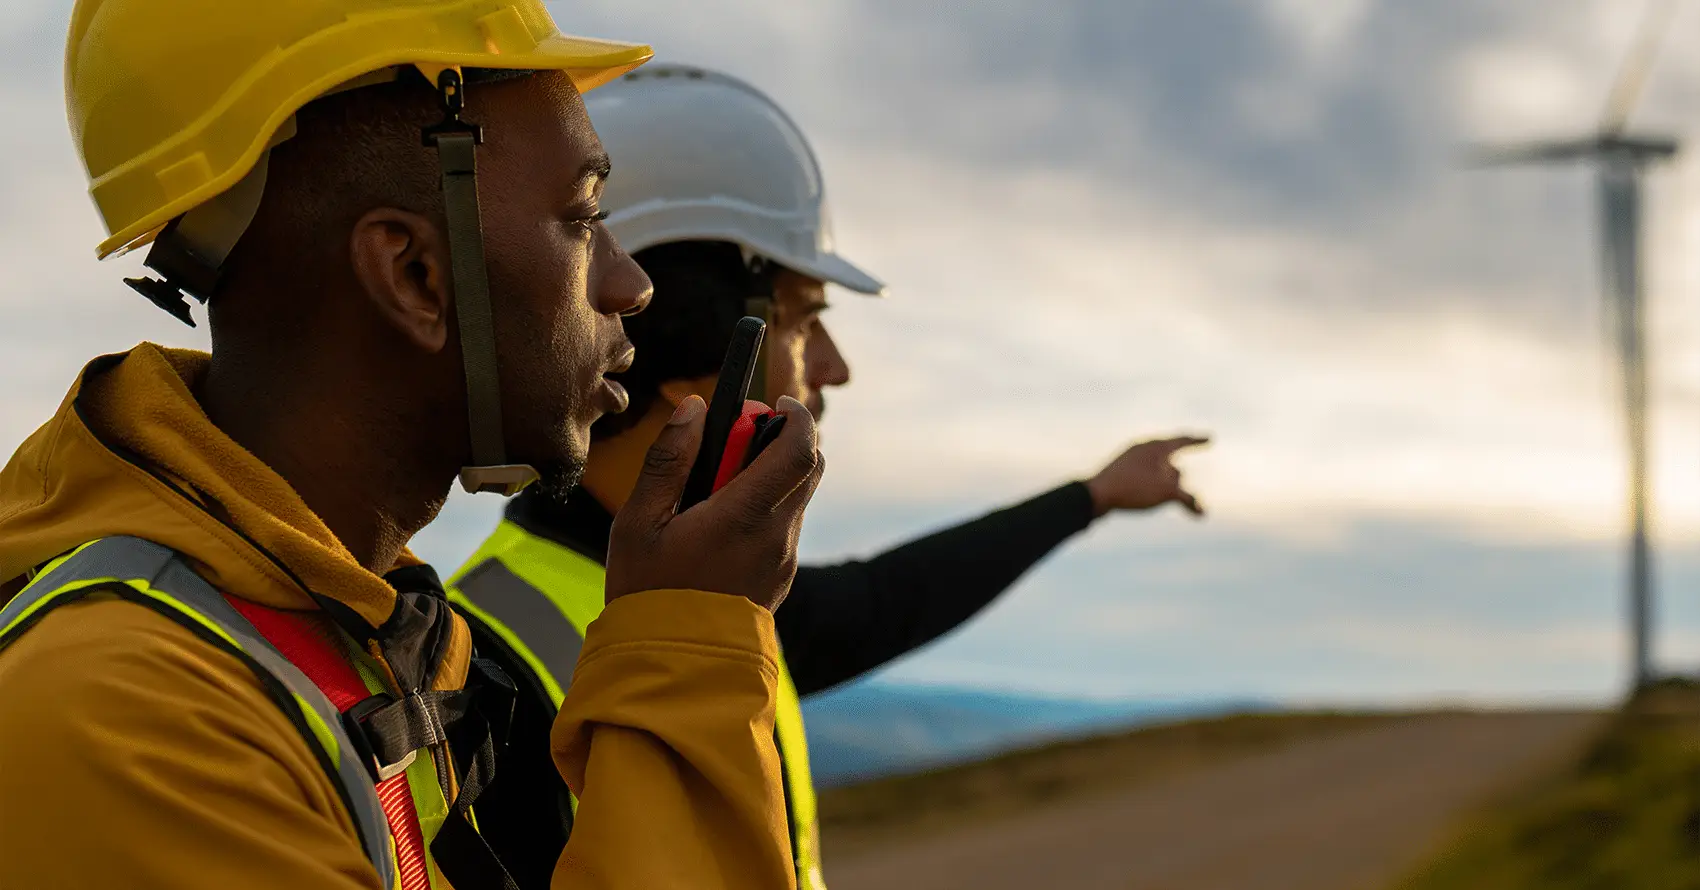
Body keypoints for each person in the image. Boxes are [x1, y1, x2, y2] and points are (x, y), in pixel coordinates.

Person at [0, 7, 822, 890]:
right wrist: (685, 649)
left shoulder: (360, 633)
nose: (630, 283)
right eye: (583, 217)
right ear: (414, 275)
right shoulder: (133, 722)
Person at [447, 64, 1210, 889]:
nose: (837, 370)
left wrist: (1090, 497)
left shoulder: (703, 594)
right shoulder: (480, 674)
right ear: (699, 346)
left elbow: (887, 600)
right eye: (809, 319)